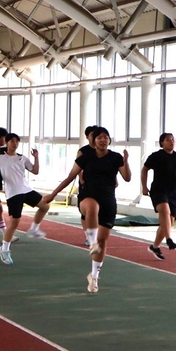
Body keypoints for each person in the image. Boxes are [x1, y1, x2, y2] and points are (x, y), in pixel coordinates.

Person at [44, 126, 130, 293]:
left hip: (108, 200)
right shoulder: (86, 157)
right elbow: (70, 177)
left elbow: (127, 177)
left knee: (103, 240)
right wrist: (53, 194)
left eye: (106, 137)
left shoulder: (116, 157)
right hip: (88, 194)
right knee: (91, 207)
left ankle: (94, 275)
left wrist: (126, 161)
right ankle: (91, 242)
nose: (103, 140)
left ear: (109, 140)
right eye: (99, 138)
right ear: (93, 141)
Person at [0, 133, 50, 265]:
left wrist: (36, 157)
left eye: (17, 141)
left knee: (45, 206)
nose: (15, 143)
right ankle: (4, 249)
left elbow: (35, 171)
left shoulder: (22, 158)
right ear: (7, 143)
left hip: (26, 190)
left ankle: (34, 228)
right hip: (13, 193)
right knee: (14, 223)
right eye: (12, 141)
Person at [141, 133, 176, 260]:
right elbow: (144, 170)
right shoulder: (156, 156)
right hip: (158, 190)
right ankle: (169, 239)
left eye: (173, 140)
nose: (171, 142)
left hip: (173, 192)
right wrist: (144, 187)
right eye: (168, 140)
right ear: (162, 143)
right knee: (165, 212)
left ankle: (155, 246)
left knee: (169, 221)